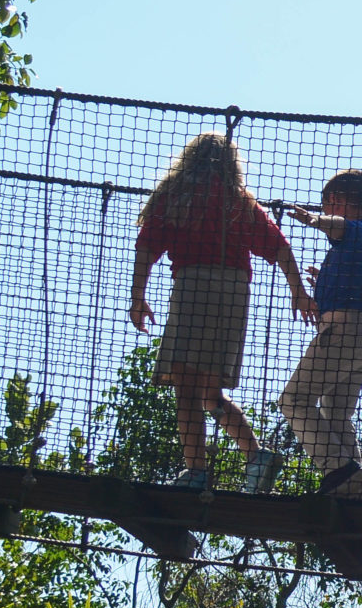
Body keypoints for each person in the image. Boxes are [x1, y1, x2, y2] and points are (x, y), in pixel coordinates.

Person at [129, 132, 312, 490]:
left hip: (194, 286)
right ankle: (256, 455)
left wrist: (138, 297)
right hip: (234, 292)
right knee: (209, 391)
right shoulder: (238, 202)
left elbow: (146, 248)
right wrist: (299, 292)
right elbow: (280, 248)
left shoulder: (175, 197)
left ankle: (196, 471)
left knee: (184, 385)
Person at [262, 169, 362, 497]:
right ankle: (356, 489)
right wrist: (325, 280)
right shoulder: (361, 245)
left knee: (293, 399)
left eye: (329, 205)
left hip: (342, 336)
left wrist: (316, 220)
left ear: (335, 202)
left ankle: (338, 470)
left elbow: (340, 225)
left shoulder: (356, 231)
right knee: (335, 411)